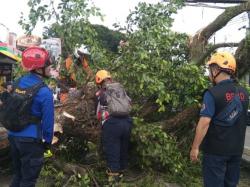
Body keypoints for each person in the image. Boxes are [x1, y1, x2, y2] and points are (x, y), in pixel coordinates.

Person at [190, 52, 249, 187]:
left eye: (210, 69)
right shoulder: (244, 93)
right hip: (236, 152)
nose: (209, 73)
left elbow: (204, 123)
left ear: (216, 69)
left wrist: (195, 148)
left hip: (215, 153)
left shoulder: (212, 93)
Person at [8, 46, 54, 187]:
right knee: (28, 180)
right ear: (39, 68)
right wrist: (47, 142)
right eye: (47, 65)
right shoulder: (44, 92)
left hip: (12, 136)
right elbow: (48, 121)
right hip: (31, 140)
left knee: (18, 175)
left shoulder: (17, 83)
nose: (50, 68)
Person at [95, 70, 132, 183]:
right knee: (123, 149)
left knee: (113, 150)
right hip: (127, 122)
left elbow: (98, 113)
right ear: (110, 78)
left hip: (112, 124)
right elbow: (130, 103)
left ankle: (113, 179)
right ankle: (123, 173)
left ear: (99, 82)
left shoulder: (101, 93)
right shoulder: (120, 89)